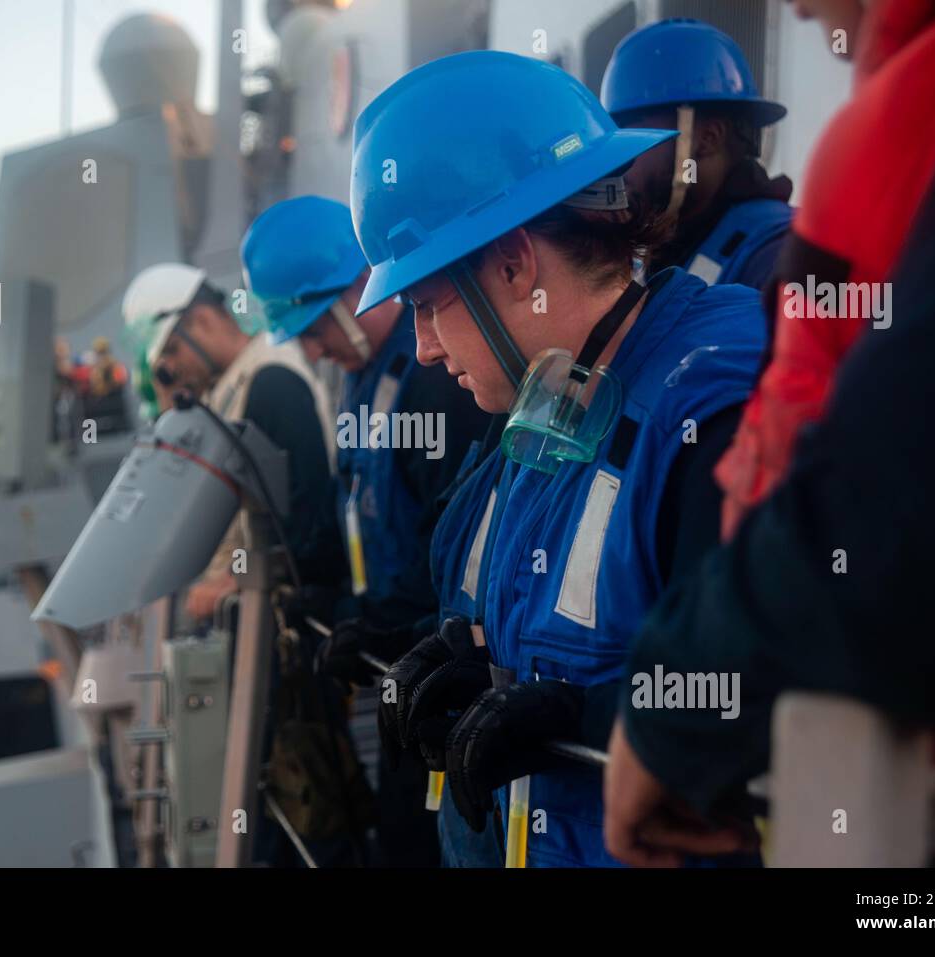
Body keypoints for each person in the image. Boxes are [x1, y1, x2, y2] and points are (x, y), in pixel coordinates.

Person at [603, 0, 935, 866]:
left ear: (708, 139)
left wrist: (684, 695)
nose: (797, 6)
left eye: (640, 145)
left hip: (918, 788)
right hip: (812, 740)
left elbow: (916, 507)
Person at [352, 49, 768, 866]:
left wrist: (582, 717)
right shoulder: (549, 413)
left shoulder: (712, 400)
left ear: (514, 262)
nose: (424, 350)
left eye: (428, 306)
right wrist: (478, 666)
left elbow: (771, 698)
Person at [241, 195, 490, 867]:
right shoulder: (362, 381)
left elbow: (455, 534)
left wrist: (379, 620)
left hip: (446, 673)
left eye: (315, 325)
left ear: (357, 285)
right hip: (399, 664)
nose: (311, 347)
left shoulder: (435, 378)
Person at [119, 263, 335, 620]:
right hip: (257, 615)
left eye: (172, 351)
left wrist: (235, 579)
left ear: (203, 321)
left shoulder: (270, 380)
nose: (172, 369)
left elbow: (305, 519)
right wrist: (171, 411)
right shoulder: (229, 390)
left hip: (293, 616)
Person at [601, 19, 793, 290]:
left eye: (634, 135)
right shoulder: (671, 250)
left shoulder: (776, 254)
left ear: (707, 138)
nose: (620, 162)